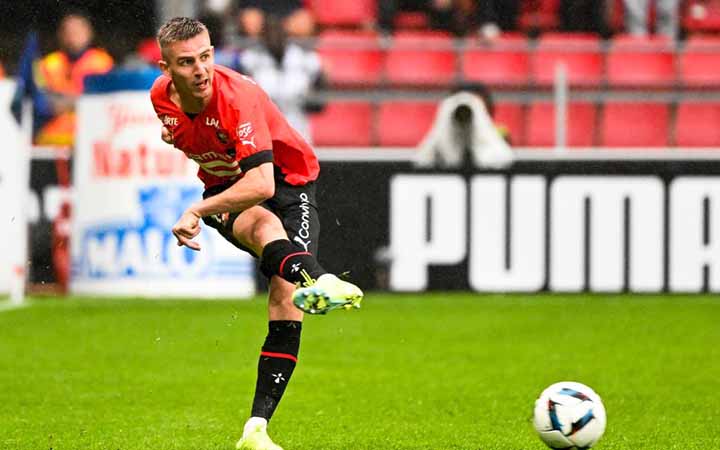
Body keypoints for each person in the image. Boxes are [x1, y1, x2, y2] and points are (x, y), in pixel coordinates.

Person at [150, 17, 363, 450]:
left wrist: (196, 209)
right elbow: (182, 133)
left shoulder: (239, 97)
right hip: (227, 190)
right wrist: (205, 198)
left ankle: (255, 429)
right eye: (186, 62)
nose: (200, 70)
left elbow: (264, 185)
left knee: (285, 296)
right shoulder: (160, 97)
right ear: (166, 68)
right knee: (265, 229)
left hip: (288, 182)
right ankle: (320, 279)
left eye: (206, 56)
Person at [241, 15, 324, 143]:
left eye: (279, 33)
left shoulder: (305, 59)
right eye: (270, 34)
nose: (275, 38)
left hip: (298, 129)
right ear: (263, 37)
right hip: (264, 133)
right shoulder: (250, 60)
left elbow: (319, 103)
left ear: (286, 35)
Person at [34, 12, 114, 146]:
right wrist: (79, 100)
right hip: (51, 138)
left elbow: (103, 101)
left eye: (77, 31)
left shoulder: (101, 62)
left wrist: (65, 101)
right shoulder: (48, 63)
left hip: (89, 137)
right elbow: (40, 100)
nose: (72, 37)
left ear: (89, 34)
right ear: (60, 35)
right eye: (68, 32)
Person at [237, 0, 314, 38]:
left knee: (303, 21)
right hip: (261, 22)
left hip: (288, 19)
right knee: (251, 20)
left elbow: (300, 11)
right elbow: (248, 12)